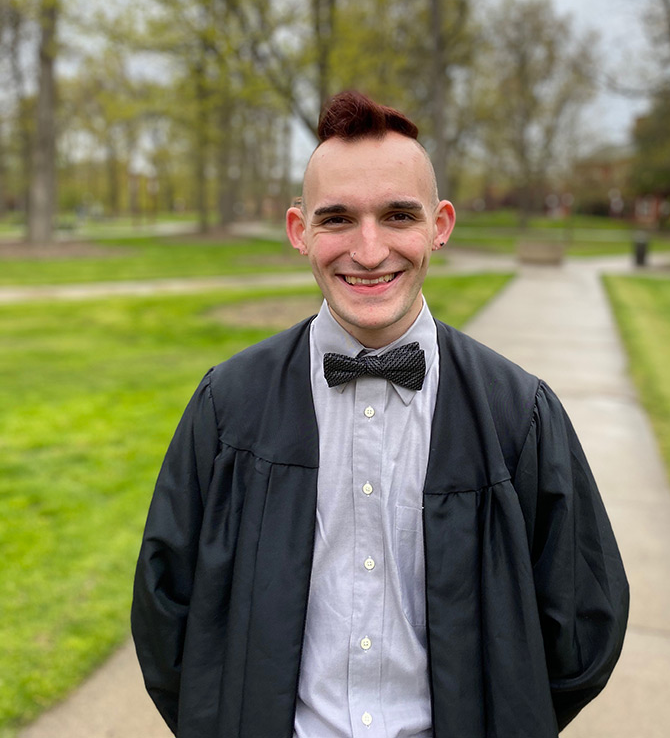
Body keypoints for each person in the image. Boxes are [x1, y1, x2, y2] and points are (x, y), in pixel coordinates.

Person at [132, 91, 628, 738]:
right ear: (298, 230)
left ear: (439, 225)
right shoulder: (228, 408)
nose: (368, 252)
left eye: (397, 215)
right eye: (337, 219)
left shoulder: (518, 414)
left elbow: (584, 621)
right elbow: (164, 610)